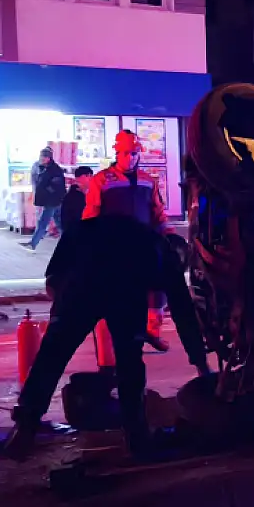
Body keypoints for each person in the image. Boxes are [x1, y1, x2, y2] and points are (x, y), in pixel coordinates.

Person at [5, 214, 209, 459]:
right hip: (122, 293)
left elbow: (52, 281)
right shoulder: (165, 255)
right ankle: (137, 438)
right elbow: (183, 311)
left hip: (80, 289)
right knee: (129, 364)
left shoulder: (91, 228)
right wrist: (200, 362)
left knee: (51, 358)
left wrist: (64, 314)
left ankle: (25, 428)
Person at [84, 130, 171, 351]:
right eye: (124, 153)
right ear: (116, 153)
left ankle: (153, 330)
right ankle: (119, 338)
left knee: (157, 285)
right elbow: (92, 212)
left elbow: (157, 212)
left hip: (143, 244)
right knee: (117, 293)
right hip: (114, 245)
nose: (129, 158)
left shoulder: (147, 181)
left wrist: (168, 235)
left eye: (133, 153)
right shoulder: (102, 180)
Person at [26, 146, 67, 251]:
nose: (42, 159)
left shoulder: (54, 169)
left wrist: (47, 191)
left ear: (49, 158)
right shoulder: (42, 167)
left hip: (52, 200)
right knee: (59, 222)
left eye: (44, 157)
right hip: (51, 200)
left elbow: (57, 186)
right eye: (41, 157)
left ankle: (33, 243)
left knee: (43, 222)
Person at [61, 165, 94, 237]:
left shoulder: (78, 193)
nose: (91, 180)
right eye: (90, 176)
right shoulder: (75, 196)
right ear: (83, 176)